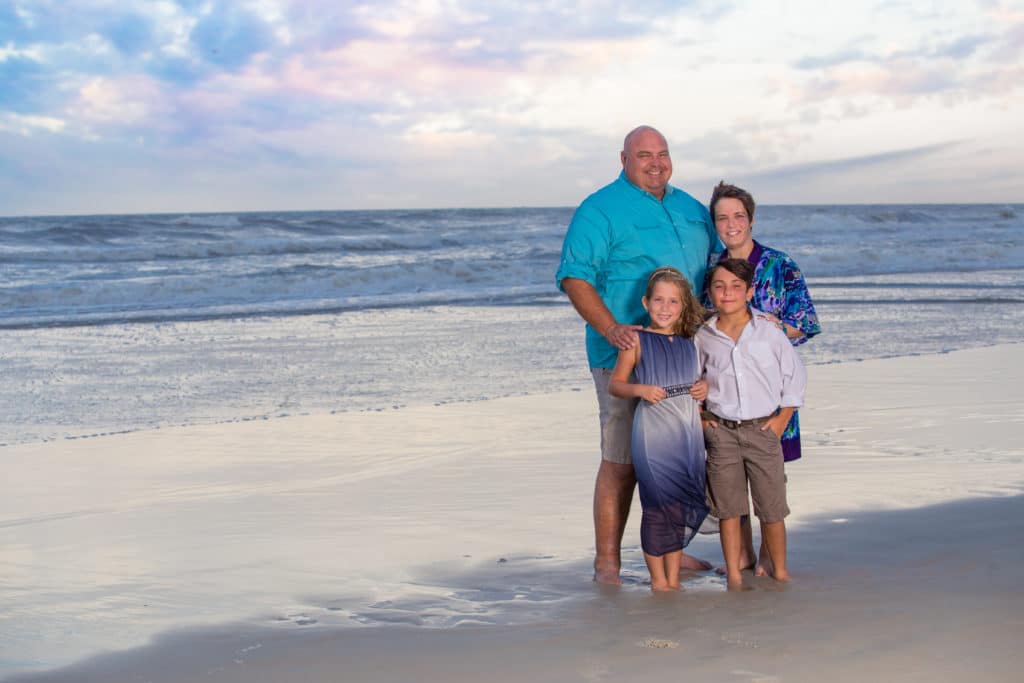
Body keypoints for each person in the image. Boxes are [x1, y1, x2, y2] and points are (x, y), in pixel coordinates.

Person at [556, 126, 720, 584]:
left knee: (679, 453)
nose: (656, 163)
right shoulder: (599, 209)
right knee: (623, 458)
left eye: (663, 154)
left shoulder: (690, 208)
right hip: (623, 353)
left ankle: (669, 544)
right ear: (623, 158)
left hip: (685, 353)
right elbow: (574, 277)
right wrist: (610, 327)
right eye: (644, 154)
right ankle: (607, 561)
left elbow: (716, 272)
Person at [706, 181, 820, 575]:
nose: (731, 223)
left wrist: (772, 325)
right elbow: (702, 329)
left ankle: (771, 561)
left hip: (772, 398)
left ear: (750, 219)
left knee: (770, 482)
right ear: (715, 224)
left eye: (738, 215)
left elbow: (806, 322)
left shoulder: (779, 264)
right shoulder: (711, 271)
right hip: (727, 402)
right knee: (730, 482)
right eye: (723, 217)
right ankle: (742, 557)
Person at [696, 259, 807, 589]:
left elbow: (795, 376)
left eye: (735, 287)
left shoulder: (768, 331)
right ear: (710, 292)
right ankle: (733, 575)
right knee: (728, 510)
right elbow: (695, 380)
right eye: (719, 286)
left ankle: (781, 571)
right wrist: (703, 420)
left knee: (771, 509)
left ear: (750, 291)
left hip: (763, 431)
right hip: (722, 432)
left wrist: (780, 421)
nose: (727, 293)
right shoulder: (704, 336)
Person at [607, 267, 709, 591]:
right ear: (646, 301)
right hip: (653, 430)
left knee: (678, 502)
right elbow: (616, 385)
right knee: (656, 503)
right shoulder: (636, 339)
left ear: (683, 305)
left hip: (686, 430)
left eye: (673, 302)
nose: (665, 308)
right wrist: (641, 390)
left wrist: (703, 386)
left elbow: (702, 377)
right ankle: (658, 580)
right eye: (659, 300)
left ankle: (674, 578)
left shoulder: (690, 340)